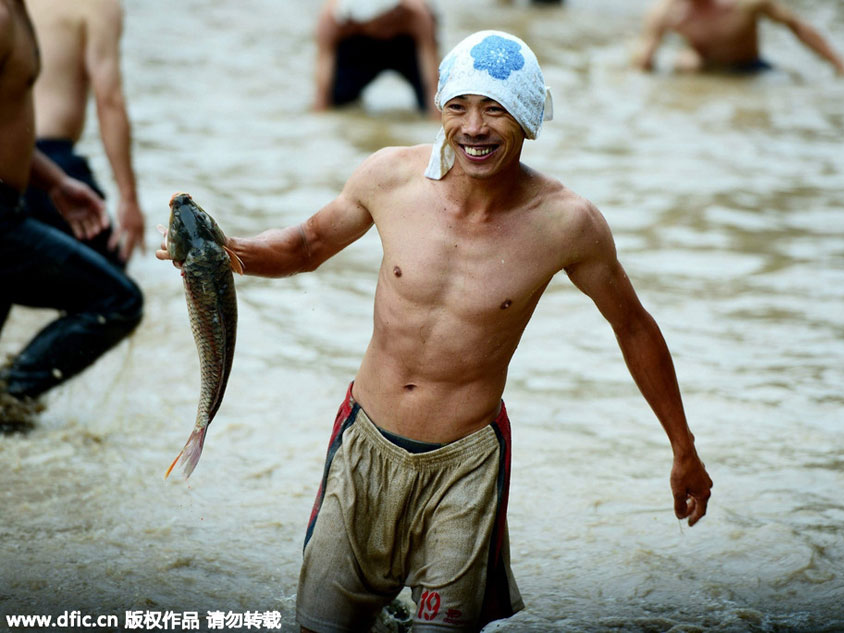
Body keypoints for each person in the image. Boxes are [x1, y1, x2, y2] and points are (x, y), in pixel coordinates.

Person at [158, 30, 713, 632]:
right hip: (363, 444)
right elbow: (307, 244)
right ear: (441, 109)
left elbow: (632, 326)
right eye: (459, 107)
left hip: (466, 466)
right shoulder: (388, 177)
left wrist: (682, 446)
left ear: (527, 117)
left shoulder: (566, 224)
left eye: (495, 108)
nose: (474, 128)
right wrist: (221, 249)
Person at [0, 0, 143, 417]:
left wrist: (55, 182)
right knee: (117, 300)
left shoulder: (20, 11)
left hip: (21, 192)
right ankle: (11, 400)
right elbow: (109, 99)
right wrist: (128, 197)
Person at [24, 0, 146, 266]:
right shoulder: (96, 5)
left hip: (9, 160)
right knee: (116, 294)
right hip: (52, 160)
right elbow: (109, 100)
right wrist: (129, 199)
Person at [634, 0, 844, 76]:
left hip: (751, 68)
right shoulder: (665, 12)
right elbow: (643, 62)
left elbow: (798, 27)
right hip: (705, 69)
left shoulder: (747, 3)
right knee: (685, 64)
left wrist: (841, 66)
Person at [313, 0, 440, 117]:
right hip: (358, 48)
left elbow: (431, 76)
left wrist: (437, 117)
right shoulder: (334, 18)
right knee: (338, 101)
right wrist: (320, 115)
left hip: (405, 47)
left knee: (433, 102)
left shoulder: (417, 14)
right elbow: (323, 79)